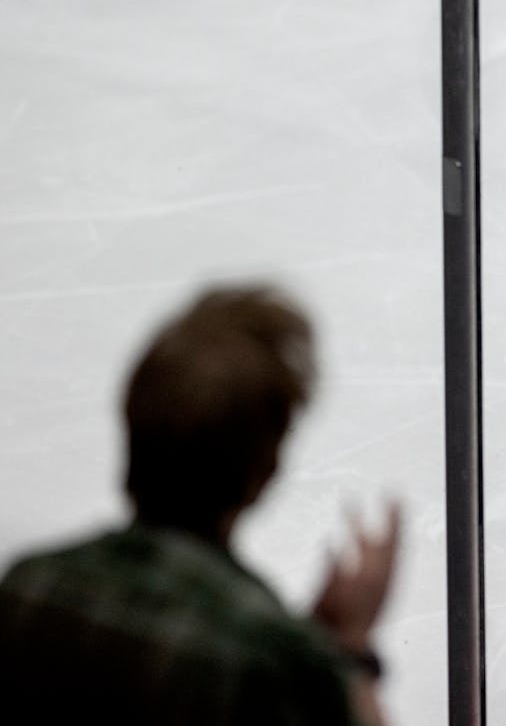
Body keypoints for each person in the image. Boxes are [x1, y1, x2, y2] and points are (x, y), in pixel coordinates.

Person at [0, 285, 401, 726]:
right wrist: (348, 647)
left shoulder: (26, 591)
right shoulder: (269, 662)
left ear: (132, 423)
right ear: (263, 475)